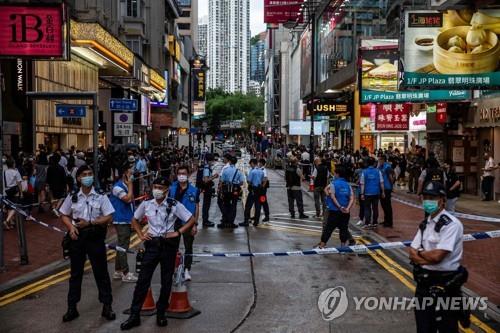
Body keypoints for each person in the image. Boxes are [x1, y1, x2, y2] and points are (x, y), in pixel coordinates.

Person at [120, 177, 196, 330]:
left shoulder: (174, 205)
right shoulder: (147, 204)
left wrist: (178, 232)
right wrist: (141, 234)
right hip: (153, 244)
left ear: (167, 190)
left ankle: (161, 312)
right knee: (143, 280)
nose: (157, 190)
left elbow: (191, 219)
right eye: (155, 186)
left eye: (160, 187)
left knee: (166, 280)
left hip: (169, 245)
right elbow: (134, 219)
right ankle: (134, 315)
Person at [409, 181, 468, 333]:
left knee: (446, 328)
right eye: (426, 197)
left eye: (432, 197)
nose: (428, 201)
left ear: (443, 200)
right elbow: (411, 253)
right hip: (424, 285)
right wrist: (423, 256)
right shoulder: (425, 224)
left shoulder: (452, 225)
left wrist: (421, 253)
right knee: (423, 327)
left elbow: (437, 256)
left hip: (445, 285)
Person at [59, 165, 116, 322]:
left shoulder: (100, 196)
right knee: (75, 274)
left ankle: (107, 306)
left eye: (90, 174)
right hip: (78, 238)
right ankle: (72, 308)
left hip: (95, 237)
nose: (88, 176)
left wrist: (90, 222)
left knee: (101, 273)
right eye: (84, 174)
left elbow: (109, 216)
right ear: (78, 178)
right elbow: (63, 214)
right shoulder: (73, 196)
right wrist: (70, 227)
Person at [169, 165, 199, 281]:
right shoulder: (171, 189)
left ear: (188, 174)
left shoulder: (194, 190)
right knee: (172, 247)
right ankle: (173, 269)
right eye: (179, 173)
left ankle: (187, 269)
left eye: (184, 173)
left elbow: (196, 207)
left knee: (188, 247)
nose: (181, 176)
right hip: (173, 223)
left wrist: (195, 224)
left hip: (188, 223)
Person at [109, 163, 137, 283]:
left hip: (126, 218)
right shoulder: (117, 187)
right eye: (130, 171)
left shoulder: (123, 186)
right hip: (120, 220)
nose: (132, 173)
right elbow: (127, 199)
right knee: (123, 247)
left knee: (121, 246)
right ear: (125, 173)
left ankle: (118, 271)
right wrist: (130, 186)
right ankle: (125, 273)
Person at [317, 166, 354, 248]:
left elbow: (333, 197)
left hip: (334, 211)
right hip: (345, 212)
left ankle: (322, 245)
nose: (334, 175)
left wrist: (340, 207)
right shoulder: (348, 185)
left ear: (337, 174)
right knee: (344, 228)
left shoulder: (333, 184)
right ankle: (343, 246)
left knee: (329, 228)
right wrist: (347, 208)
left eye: (335, 173)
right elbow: (351, 198)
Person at [218, 156, 244, 228]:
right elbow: (241, 182)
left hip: (226, 190)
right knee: (234, 205)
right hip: (235, 190)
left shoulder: (226, 170)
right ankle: (231, 222)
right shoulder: (238, 171)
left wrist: (219, 190)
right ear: (236, 162)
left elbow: (221, 181)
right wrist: (236, 185)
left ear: (230, 162)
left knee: (226, 204)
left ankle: (225, 220)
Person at [359, 157, 384, 229]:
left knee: (367, 208)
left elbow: (362, 184)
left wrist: (362, 193)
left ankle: (367, 223)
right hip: (376, 192)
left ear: (367, 163)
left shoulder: (364, 172)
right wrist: (383, 191)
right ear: (374, 163)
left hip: (367, 193)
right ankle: (375, 222)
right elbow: (381, 182)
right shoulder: (378, 171)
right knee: (375, 208)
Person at [241, 158, 264, 227]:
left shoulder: (252, 171)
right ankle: (256, 222)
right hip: (259, 190)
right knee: (258, 206)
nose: (250, 166)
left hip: (253, 190)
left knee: (248, 206)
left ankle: (246, 221)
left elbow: (249, 181)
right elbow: (262, 180)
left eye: (251, 164)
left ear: (253, 163)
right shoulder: (261, 171)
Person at [3, 158, 23, 230]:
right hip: (15, 190)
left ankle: (11, 223)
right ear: (13, 164)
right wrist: (21, 193)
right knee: (15, 207)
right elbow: (19, 183)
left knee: (9, 206)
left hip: (7, 190)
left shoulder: (5, 172)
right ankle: (7, 221)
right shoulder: (15, 172)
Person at [201, 154, 218, 227]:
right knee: (206, 205)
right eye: (212, 160)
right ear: (209, 161)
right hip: (207, 188)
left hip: (208, 188)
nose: (213, 162)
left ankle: (206, 220)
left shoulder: (207, 168)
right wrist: (214, 177)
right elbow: (205, 180)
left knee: (207, 205)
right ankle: (205, 221)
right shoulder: (206, 168)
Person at [378, 155, 395, 228]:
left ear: (383, 160)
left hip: (387, 188)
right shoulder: (380, 167)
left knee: (387, 205)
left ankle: (389, 222)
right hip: (382, 189)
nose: (379, 161)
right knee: (383, 205)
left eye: (380, 160)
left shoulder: (387, 167)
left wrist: (391, 187)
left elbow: (391, 178)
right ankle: (386, 220)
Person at [258, 158, 270, 223]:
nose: (258, 163)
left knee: (264, 202)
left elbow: (265, 179)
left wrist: (262, 187)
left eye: (259, 162)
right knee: (260, 202)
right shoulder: (260, 169)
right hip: (261, 188)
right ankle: (257, 215)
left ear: (261, 163)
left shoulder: (263, 170)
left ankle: (267, 216)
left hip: (262, 189)